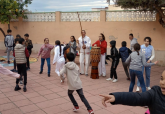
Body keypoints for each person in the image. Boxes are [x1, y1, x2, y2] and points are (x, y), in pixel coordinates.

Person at [100, 70, 165, 114]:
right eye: (162, 78)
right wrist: (116, 97)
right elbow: (137, 97)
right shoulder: (155, 93)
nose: (162, 82)